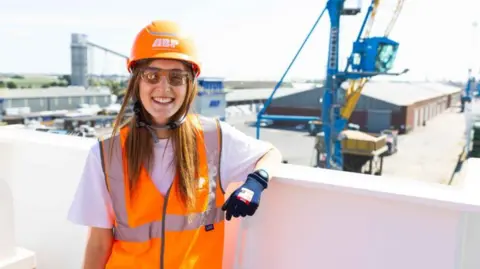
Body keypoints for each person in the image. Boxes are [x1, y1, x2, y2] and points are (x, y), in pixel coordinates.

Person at [67, 20, 282, 269]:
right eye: (152, 75)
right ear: (137, 81)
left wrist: (256, 182)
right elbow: (99, 243)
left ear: (189, 84)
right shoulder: (106, 155)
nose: (164, 87)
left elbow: (270, 153)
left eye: (176, 78)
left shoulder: (215, 139)